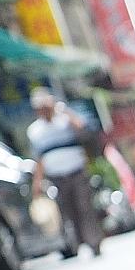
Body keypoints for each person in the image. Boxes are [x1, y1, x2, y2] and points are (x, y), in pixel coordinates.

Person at [27, 88, 102, 257]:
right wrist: (37, 184)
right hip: (57, 177)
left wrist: (64, 111)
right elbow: (39, 160)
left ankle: (94, 242)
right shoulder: (34, 131)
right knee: (69, 211)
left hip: (77, 171)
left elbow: (84, 129)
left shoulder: (65, 120)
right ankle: (79, 243)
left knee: (85, 207)